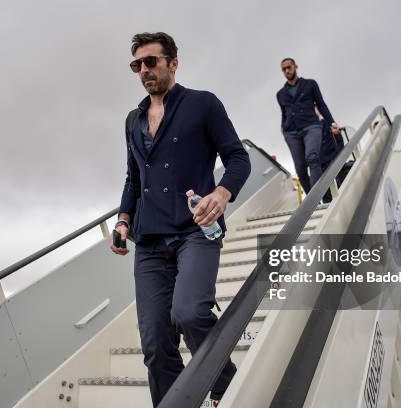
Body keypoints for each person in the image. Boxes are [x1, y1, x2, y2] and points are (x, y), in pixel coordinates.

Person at [110, 32, 251, 407]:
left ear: (173, 63)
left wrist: (221, 194)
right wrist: (124, 220)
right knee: (156, 345)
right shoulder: (132, 120)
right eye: (137, 64)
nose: (144, 70)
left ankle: (226, 388)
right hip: (150, 241)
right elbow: (133, 178)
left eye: (151, 61)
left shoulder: (203, 104)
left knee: (188, 312)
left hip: (196, 231)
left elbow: (239, 158)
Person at [276, 58, 341, 195]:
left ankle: (316, 198)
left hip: (311, 126)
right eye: (284, 69)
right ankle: (311, 199)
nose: (287, 70)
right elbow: (284, 112)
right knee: (300, 168)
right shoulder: (280, 94)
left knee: (312, 157)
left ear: (295, 66)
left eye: (289, 67)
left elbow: (321, 105)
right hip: (291, 132)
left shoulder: (310, 84)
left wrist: (332, 123)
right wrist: (283, 126)